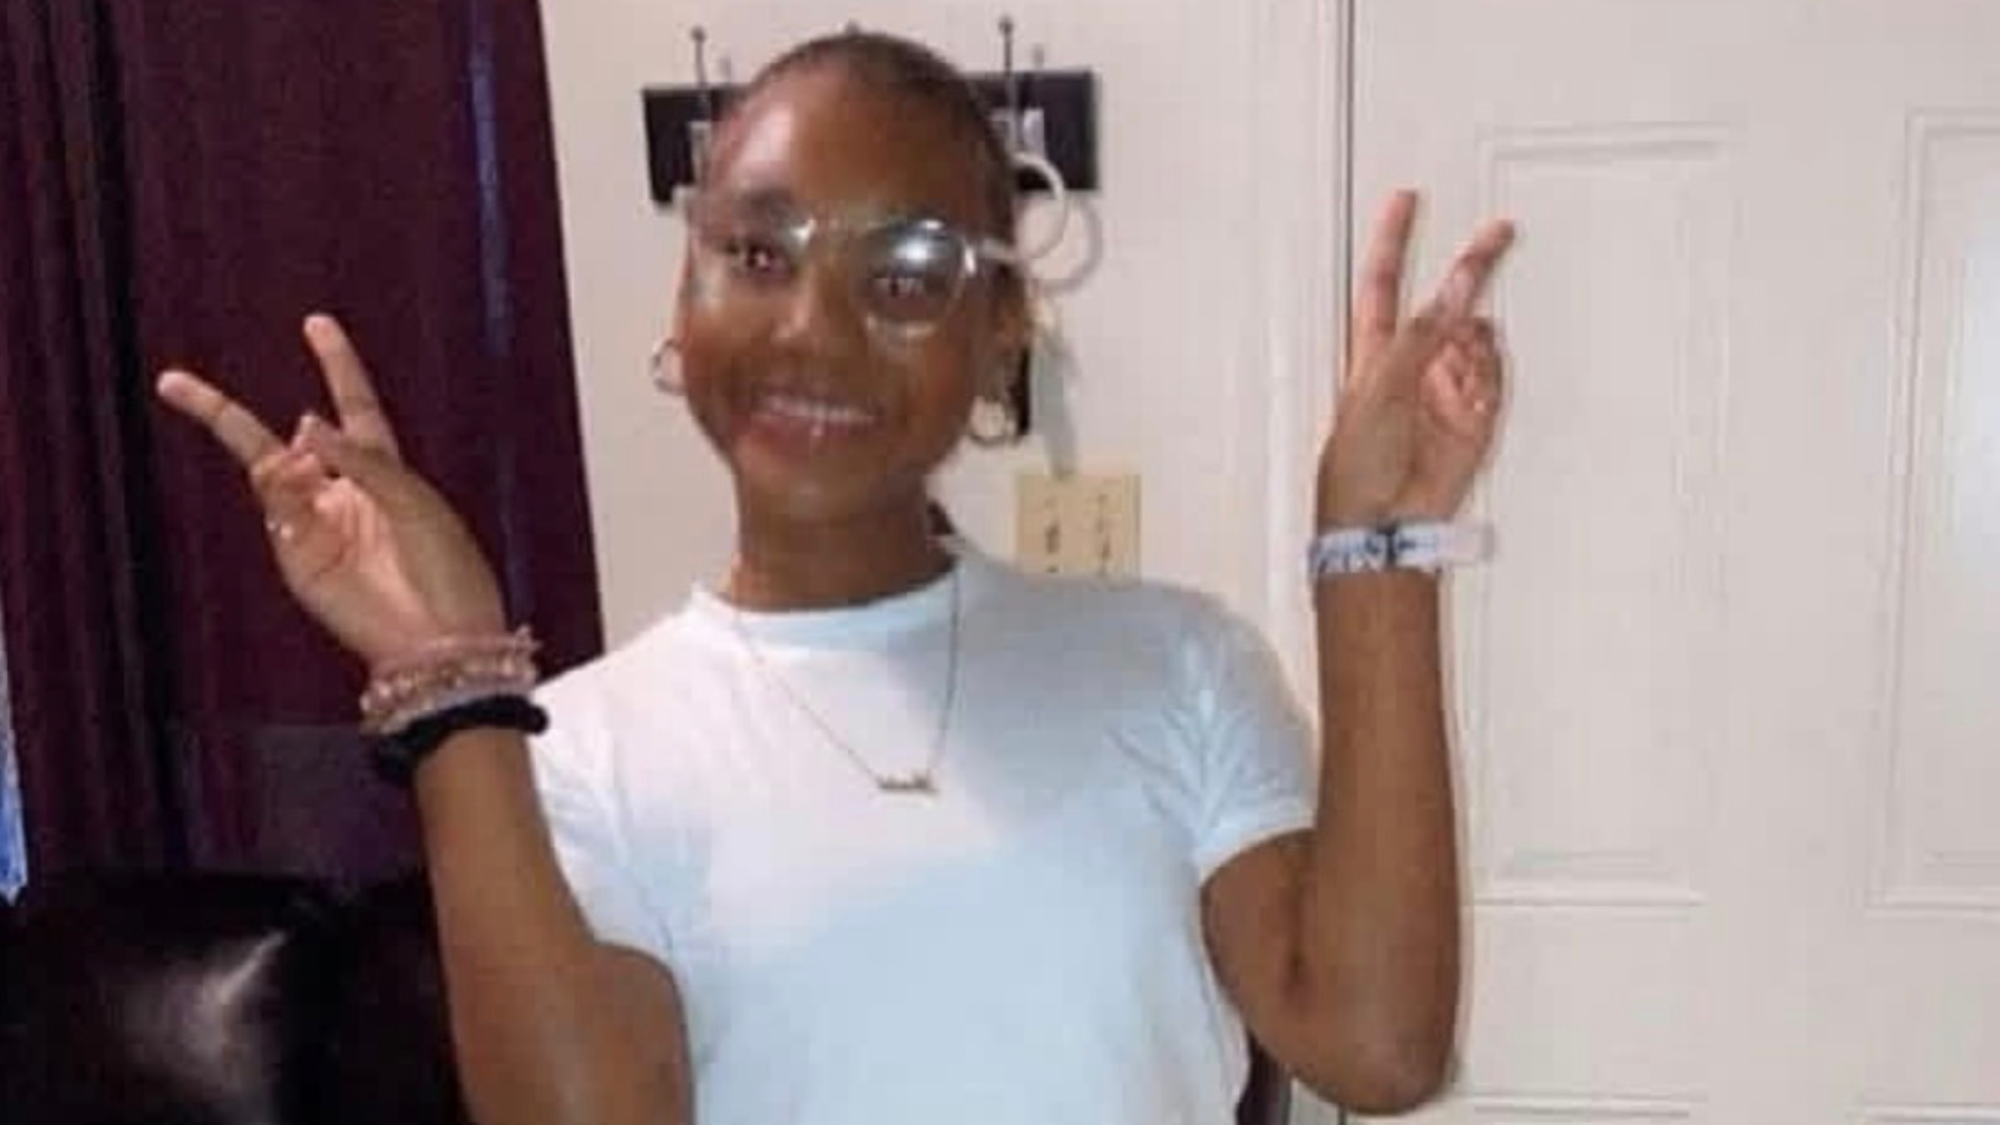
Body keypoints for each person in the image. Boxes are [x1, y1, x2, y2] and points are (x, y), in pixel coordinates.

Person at [157, 29, 1512, 1125]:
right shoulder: (569, 752)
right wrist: (446, 684)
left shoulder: (1177, 666)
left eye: (908, 272)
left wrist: (1376, 553)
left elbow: (1378, 1048)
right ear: (684, 305)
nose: (813, 328)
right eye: (757, 253)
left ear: (999, 334)